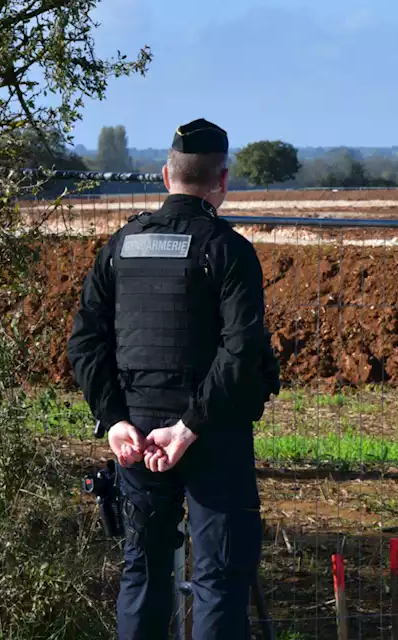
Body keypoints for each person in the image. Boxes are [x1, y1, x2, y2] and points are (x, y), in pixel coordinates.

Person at [67, 118, 280, 640]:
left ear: (166, 175)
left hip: (137, 440)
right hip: (213, 437)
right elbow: (241, 350)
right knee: (218, 579)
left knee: (142, 571)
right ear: (222, 181)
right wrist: (189, 427)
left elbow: (85, 341)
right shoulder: (228, 251)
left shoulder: (121, 246)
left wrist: (115, 419)